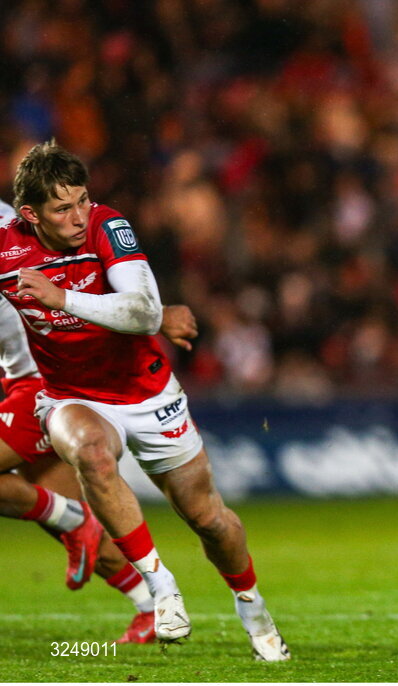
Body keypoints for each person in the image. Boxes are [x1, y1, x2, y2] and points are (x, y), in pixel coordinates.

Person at [2, 141, 289, 661]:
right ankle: (160, 588)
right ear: (30, 215)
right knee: (90, 451)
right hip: (68, 394)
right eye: (62, 208)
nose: (78, 216)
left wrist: (61, 298)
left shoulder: (108, 226)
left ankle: (251, 602)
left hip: (146, 392)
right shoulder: (6, 249)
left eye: (83, 200)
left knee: (208, 520)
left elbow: (139, 310)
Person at [0, 256, 200, 642]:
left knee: (69, 518)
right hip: (22, 379)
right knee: (68, 519)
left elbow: (78, 271)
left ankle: (72, 518)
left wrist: (156, 315)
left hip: (43, 382)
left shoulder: (12, 228)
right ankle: (148, 608)